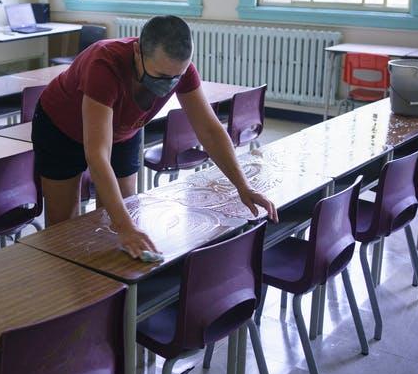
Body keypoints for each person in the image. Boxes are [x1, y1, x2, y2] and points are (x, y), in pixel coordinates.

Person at [32, 15, 278, 258]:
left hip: (124, 129)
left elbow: (210, 131)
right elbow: (97, 155)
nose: (169, 84)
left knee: (119, 213)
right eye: (160, 76)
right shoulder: (104, 64)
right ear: (138, 53)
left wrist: (242, 186)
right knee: (64, 223)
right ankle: (65, 283)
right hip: (61, 128)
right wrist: (125, 227)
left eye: (176, 77)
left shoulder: (182, 72)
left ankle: (110, 290)